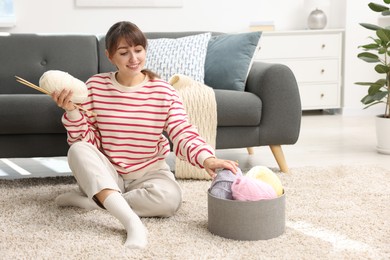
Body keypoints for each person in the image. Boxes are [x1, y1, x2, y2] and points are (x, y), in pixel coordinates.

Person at [51, 21, 238, 249]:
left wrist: (207, 158)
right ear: (110, 56)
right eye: (124, 52)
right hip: (109, 173)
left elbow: (183, 131)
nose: (133, 58)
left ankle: (97, 201)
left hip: (150, 173)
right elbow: (86, 141)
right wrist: (71, 111)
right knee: (78, 149)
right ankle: (131, 222)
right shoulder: (95, 86)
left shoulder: (164, 91)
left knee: (170, 200)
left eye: (138, 50)